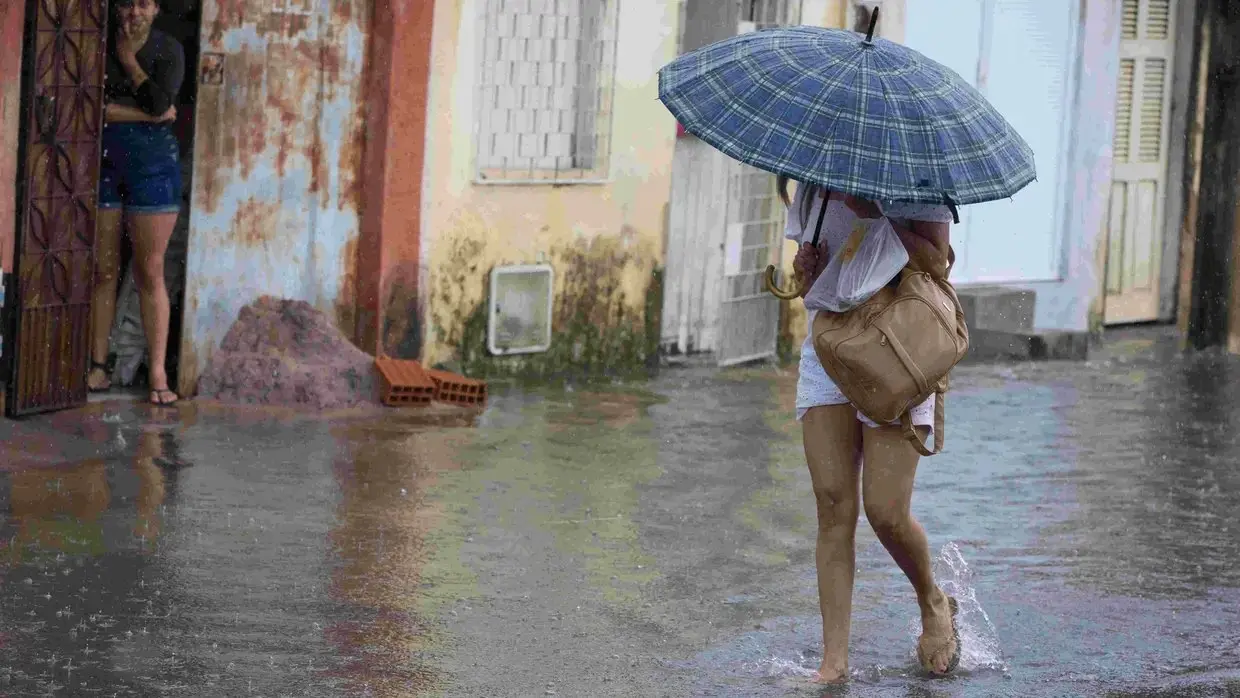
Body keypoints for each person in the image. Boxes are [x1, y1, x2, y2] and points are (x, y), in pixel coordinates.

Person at [779, 176, 961, 682]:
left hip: (899, 345)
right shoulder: (815, 182)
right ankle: (834, 662)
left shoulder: (919, 176)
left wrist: (873, 213)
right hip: (830, 345)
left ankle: (932, 600)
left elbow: (936, 263)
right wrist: (806, 271)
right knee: (833, 504)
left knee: (885, 512)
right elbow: (817, 281)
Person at [88, 0, 185, 405]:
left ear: (156, 9)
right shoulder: (96, 44)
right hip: (105, 163)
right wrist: (147, 114)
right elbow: (94, 109)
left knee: (150, 271)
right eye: (127, 3)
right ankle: (98, 366)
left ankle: (158, 375)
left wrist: (129, 61)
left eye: (143, 3)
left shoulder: (168, 50)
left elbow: (162, 104)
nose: (133, 12)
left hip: (154, 167)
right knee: (103, 270)